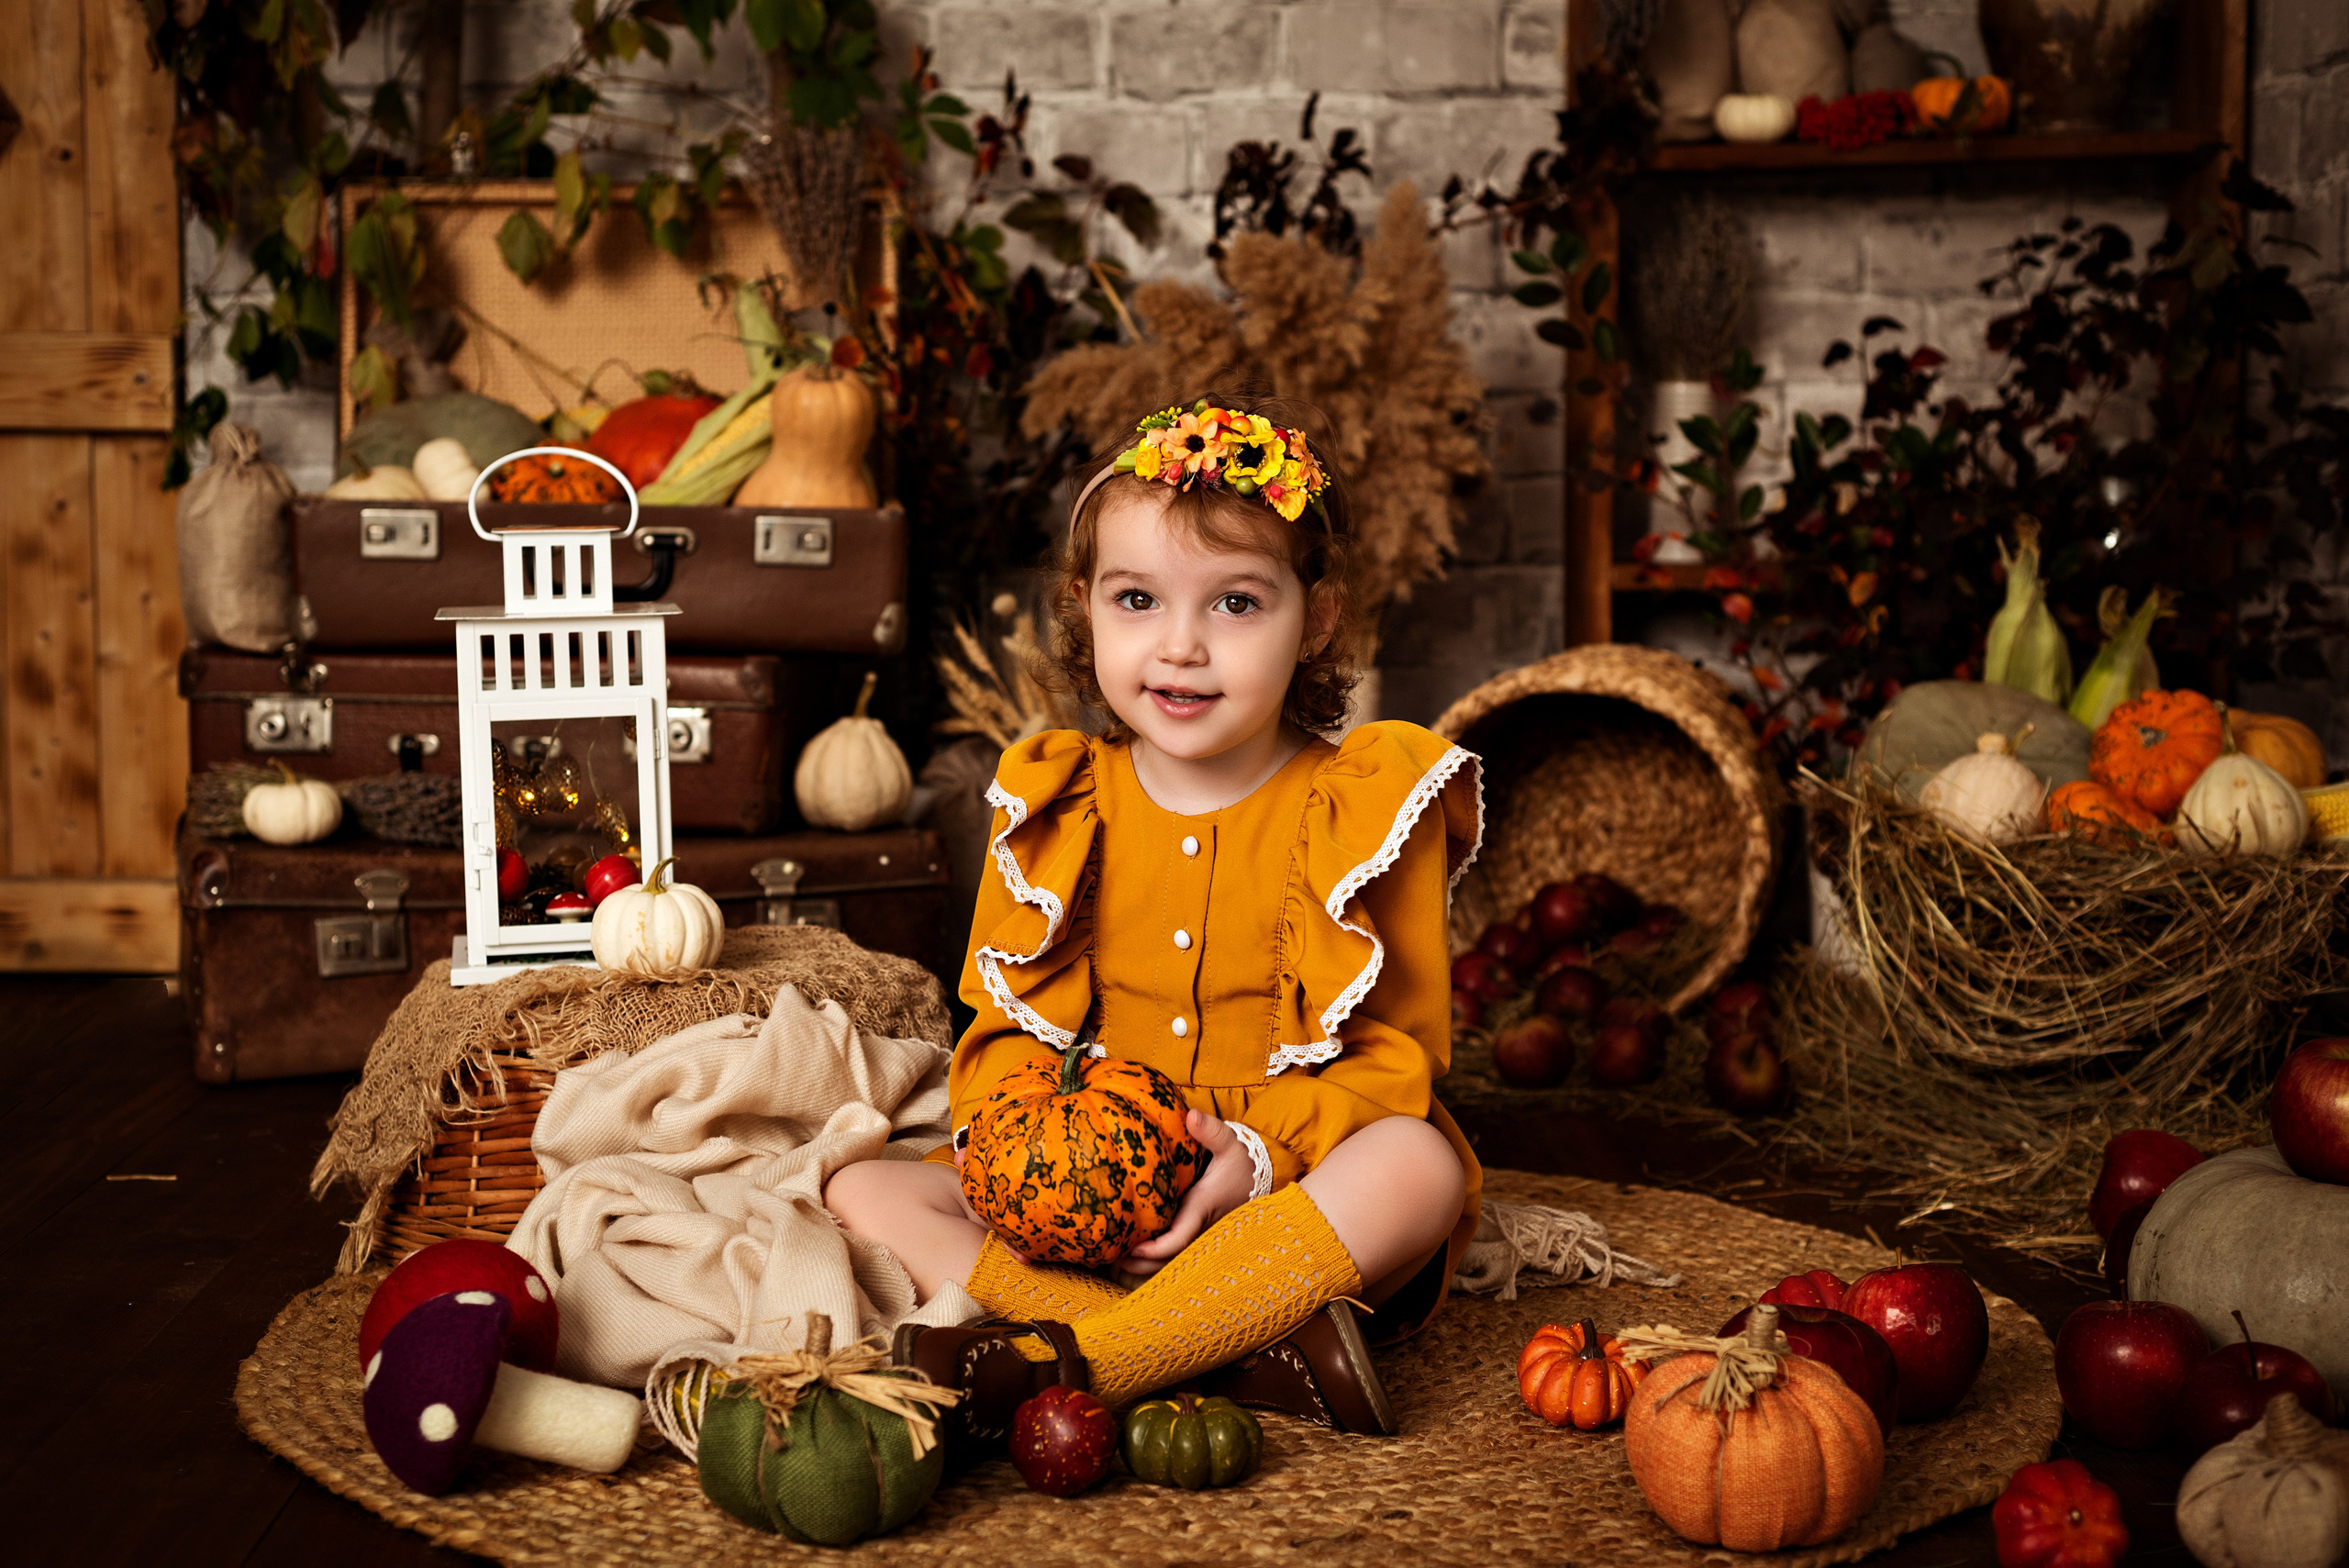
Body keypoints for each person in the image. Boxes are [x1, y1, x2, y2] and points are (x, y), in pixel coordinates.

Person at [824, 395, 1484, 1445]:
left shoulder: (1361, 804)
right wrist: (1046, 1172)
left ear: (1315, 617)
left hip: (1281, 1193)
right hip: (1089, 1194)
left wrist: (1255, 1161)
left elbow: (1391, 1064)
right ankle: (1243, 1351)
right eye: (1137, 599)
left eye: (1235, 604)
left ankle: (1080, 1364)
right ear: (1084, 608)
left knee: (1420, 1166)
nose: (1179, 646)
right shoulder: (1057, 801)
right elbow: (1003, 1037)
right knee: (865, 1183)